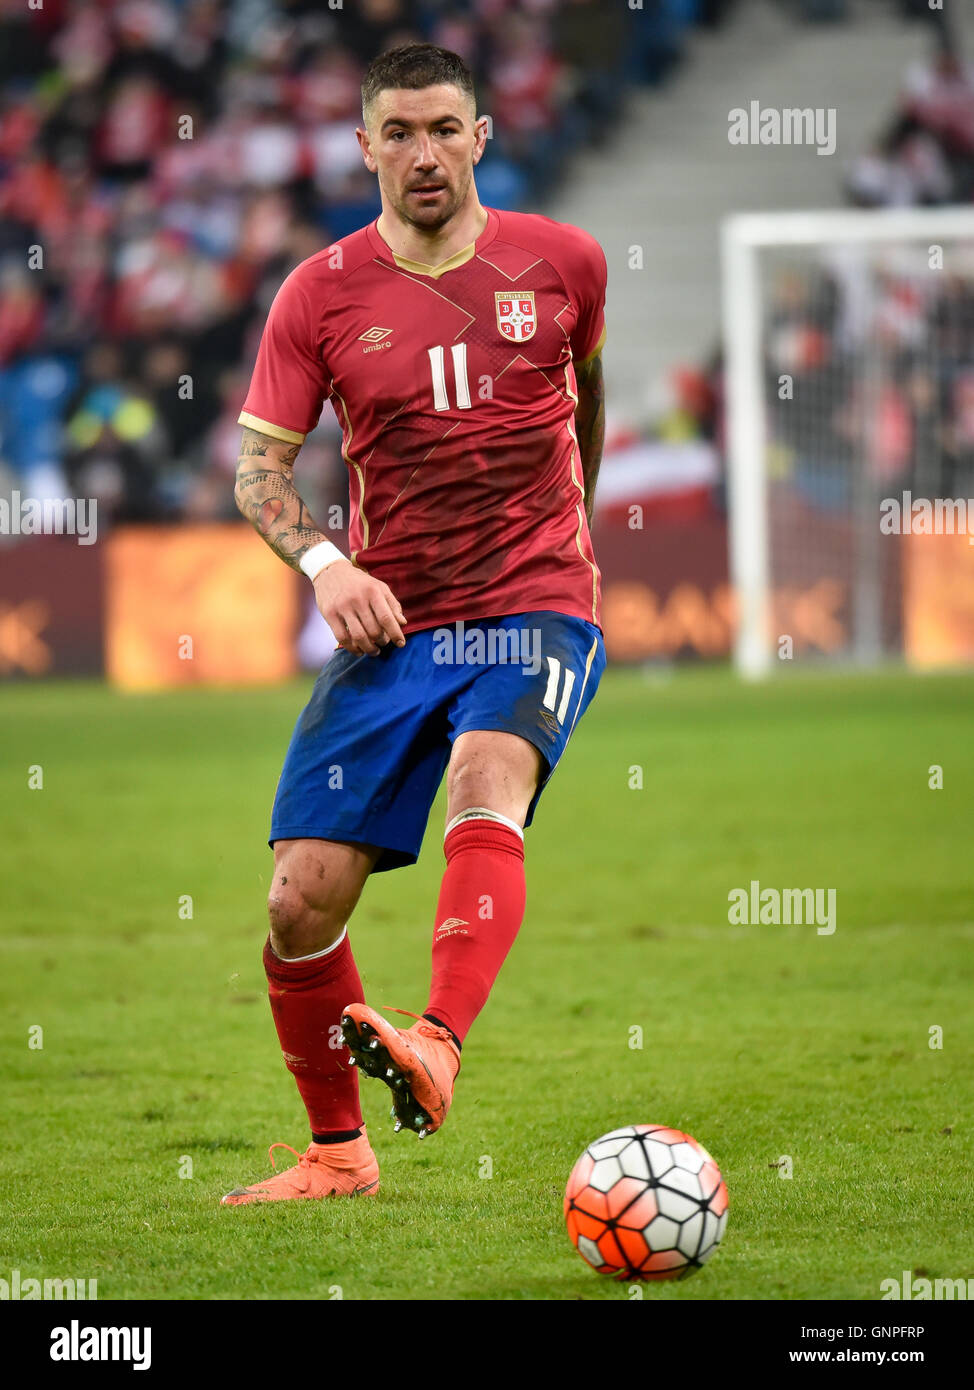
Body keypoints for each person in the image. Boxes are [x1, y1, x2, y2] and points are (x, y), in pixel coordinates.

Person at [222, 42, 607, 1205]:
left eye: (444, 128)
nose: (423, 153)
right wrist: (328, 563)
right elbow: (257, 474)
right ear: (364, 146)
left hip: (534, 597)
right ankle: (339, 1150)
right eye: (399, 132)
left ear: (481, 136)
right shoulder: (319, 292)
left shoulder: (564, 260)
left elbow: (587, 395)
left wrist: (571, 541)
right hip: (393, 615)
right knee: (299, 899)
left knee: (487, 777)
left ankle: (436, 1039)